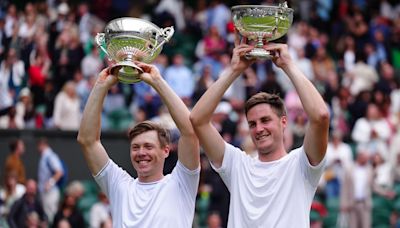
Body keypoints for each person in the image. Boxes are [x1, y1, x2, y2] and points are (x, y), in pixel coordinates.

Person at [189, 33, 330, 227]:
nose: (259, 129)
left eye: (265, 120)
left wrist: (288, 65)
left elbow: (321, 116)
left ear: (283, 122)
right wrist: (234, 70)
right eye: (252, 124)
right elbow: (198, 119)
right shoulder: (237, 165)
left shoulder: (301, 164)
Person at [77, 63, 200, 227]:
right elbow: (88, 141)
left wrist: (157, 81)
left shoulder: (181, 183)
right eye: (135, 147)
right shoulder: (119, 186)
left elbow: (190, 132)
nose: (141, 152)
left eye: (148, 146)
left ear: (166, 150)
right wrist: (101, 86)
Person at [37, 137, 64, 223]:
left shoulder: (50, 156)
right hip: (45, 193)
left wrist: (50, 183)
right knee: (46, 216)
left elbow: (59, 172)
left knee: (51, 216)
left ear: (42, 145)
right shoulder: (44, 156)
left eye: (38, 146)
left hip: (51, 192)